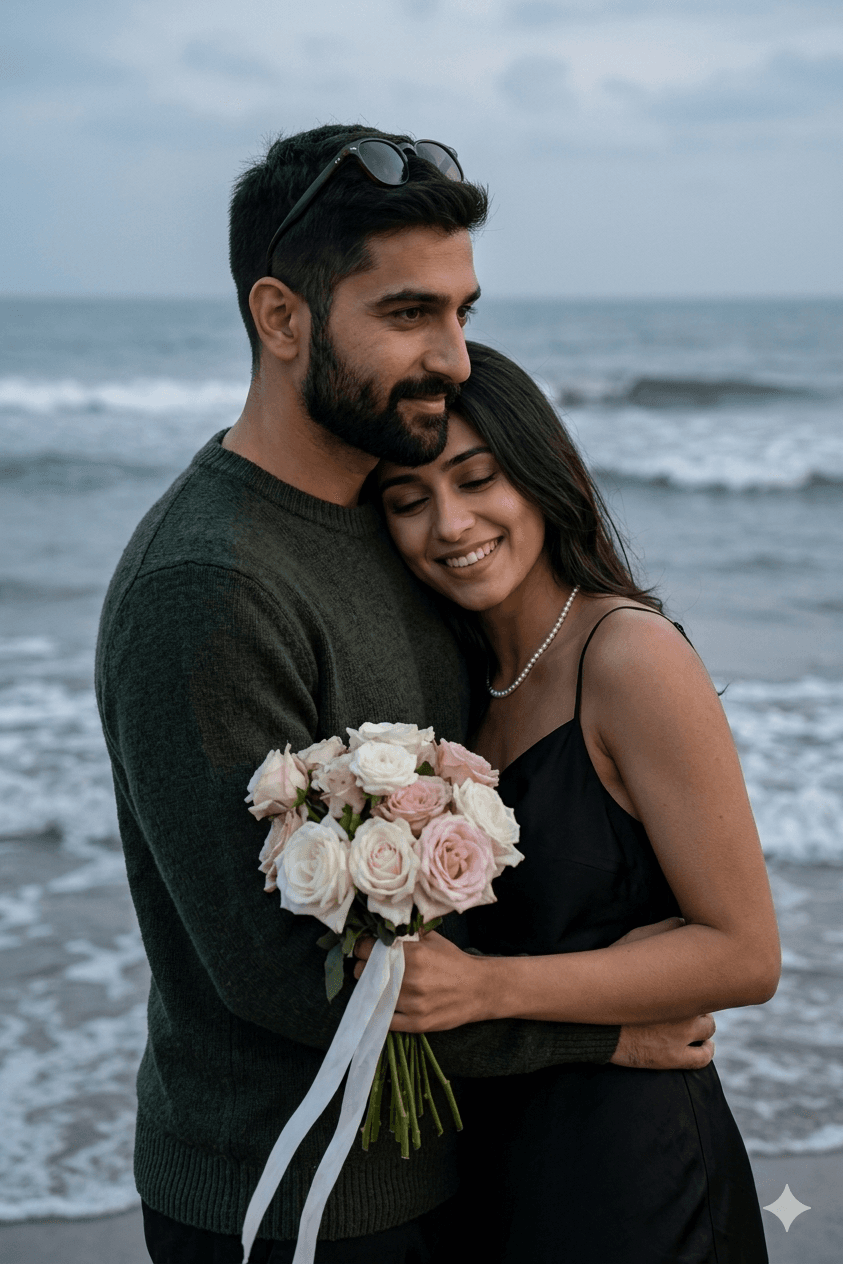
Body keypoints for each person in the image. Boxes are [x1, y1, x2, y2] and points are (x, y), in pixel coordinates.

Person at [96, 124, 718, 1264]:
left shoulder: (393, 514)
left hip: (443, 1175)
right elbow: (283, 984)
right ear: (281, 319)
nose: (455, 358)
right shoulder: (206, 588)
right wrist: (590, 1036)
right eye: (407, 315)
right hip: (286, 1202)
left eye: (462, 311)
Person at [369, 340, 781, 1262]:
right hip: (496, 1158)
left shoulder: (628, 657)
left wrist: (484, 990)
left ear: (541, 474)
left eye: (478, 480)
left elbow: (745, 954)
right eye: (408, 501)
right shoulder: (463, 680)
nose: (450, 523)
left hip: (632, 1164)